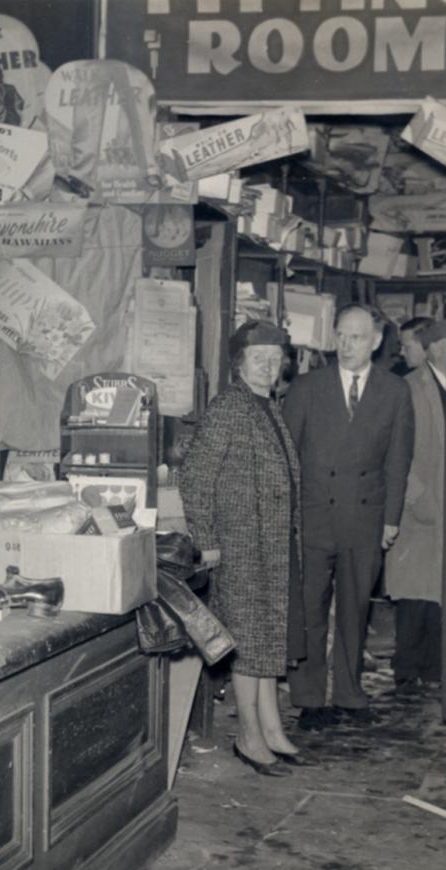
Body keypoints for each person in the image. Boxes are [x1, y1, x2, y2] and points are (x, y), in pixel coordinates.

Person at [180, 320, 306, 776]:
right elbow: (194, 477)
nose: (269, 366)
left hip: (270, 543)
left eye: (276, 358)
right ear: (240, 362)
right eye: (260, 358)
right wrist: (207, 541)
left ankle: (271, 728)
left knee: (268, 637)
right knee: (251, 643)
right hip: (239, 544)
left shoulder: (267, 405)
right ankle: (249, 736)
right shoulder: (230, 407)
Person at [283, 304, 414, 726]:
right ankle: (309, 698)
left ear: (375, 342)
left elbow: (398, 462)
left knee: (356, 609)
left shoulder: (395, 392)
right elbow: (287, 459)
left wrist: (391, 519)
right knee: (310, 608)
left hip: (366, 517)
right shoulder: (307, 388)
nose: (345, 345)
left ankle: (350, 694)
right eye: (340, 335)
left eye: (355, 337)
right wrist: (290, 517)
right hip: (315, 515)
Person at [385, 318, 446, 696]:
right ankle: (407, 672)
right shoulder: (407, 388)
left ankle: (435, 669)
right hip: (420, 505)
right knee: (414, 594)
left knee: (441, 592)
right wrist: (417, 497)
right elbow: (395, 453)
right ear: (438, 347)